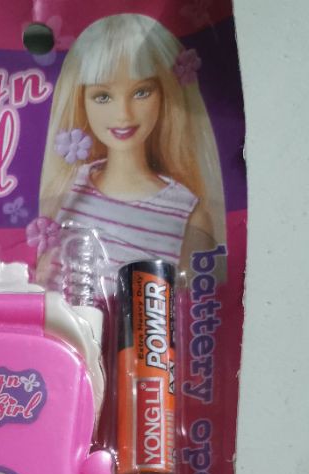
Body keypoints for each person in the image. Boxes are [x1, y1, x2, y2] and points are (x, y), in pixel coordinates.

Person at [38, 13, 225, 278]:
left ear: (165, 93)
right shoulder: (66, 189)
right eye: (103, 96)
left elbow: (195, 294)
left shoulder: (186, 213)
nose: (123, 114)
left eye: (141, 92)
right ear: (82, 100)